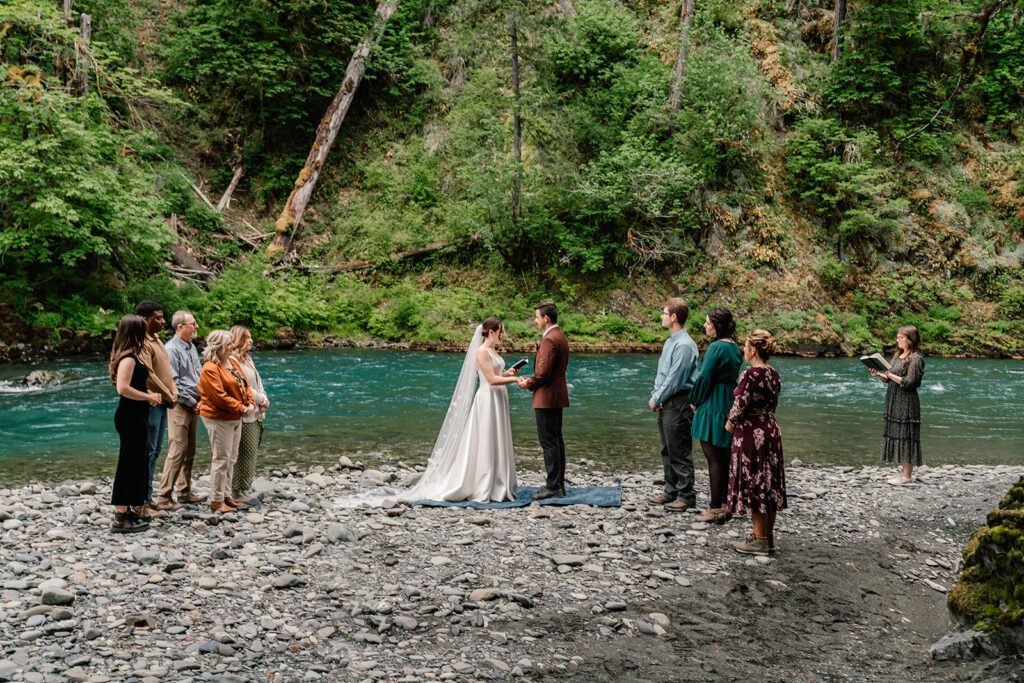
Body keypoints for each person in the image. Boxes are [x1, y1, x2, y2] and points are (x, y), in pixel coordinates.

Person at [334, 317, 520, 506]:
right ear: (491, 332)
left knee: (497, 439)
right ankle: (483, 484)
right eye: (501, 331)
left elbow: (496, 375)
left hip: (498, 398)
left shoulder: (492, 350)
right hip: (488, 399)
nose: (503, 335)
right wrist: (516, 380)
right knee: (486, 440)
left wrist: (508, 374)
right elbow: (489, 380)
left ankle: (498, 483)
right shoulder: (481, 351)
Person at [725, 329, 787, 556]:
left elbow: (740, 403)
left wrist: (730, 422)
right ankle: (767, 538)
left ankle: (759, 541)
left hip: (753, 433)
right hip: (771, 428)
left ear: (752, 350)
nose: (743, 349)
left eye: (745, 345)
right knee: (769, 484)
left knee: (756, 483)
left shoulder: (749, 375)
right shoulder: (774, 373)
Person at [109, 315, 162, 533]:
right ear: (135, 332)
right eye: (142, 329)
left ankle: (128, 508)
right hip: (130, 416)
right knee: (128, 464)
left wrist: (148, 392)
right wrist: (147, 397)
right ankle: (120, 518)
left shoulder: (133, 355)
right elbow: (122, 389)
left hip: (136, 415)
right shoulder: (128, 358)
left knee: (136, 463)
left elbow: (134, 384)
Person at [690, 308, 743, 523]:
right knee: (723, 456)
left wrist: (694, 399)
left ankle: (714, 509)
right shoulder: (734, 347)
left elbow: (705, 378)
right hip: (728, 401)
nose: (704, 326)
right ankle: (725, 504)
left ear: (716, 325)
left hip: (713, 403)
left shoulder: (716, 348)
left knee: (713, 457)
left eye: (707, 322)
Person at [648, 298, 699, 512]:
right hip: (667, 401)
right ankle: (671, 491)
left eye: (664, 312)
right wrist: (656, 395)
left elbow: (675, 379)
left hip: (679, 402)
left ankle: (686, 495)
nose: (661, 316)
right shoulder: (670, 341)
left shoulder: (684, 345)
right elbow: (662, 375)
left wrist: (657, 398)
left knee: (679, 449)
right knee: (666, 449)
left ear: (674, 317)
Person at [153, 310, 206, 510]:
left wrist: (202, 398)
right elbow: (173, 383)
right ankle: (164, 497)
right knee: (177, 451)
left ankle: (184, 492)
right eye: (193, 323)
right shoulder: (171, 350)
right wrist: (193, 402)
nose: (197, 327)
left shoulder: (190, 346)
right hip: (179, 405)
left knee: (190, 450)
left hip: (194, 404)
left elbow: (197, 375)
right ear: (181, 327)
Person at [517, 302, 570, 501]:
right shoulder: (560, 336)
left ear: (546, 319)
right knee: (556, 440)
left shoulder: (549, 340)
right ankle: (558, 485)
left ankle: (553, 486)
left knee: (548, 442)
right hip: (556, 395)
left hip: (546, 398)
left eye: (537, 317)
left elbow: (543, 373)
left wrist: (527, 383)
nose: (535, 321)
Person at [199, 329, 256, 513]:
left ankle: (227, 496)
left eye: (232, 343)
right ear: (218, 347)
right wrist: (242, 408)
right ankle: (216, 501)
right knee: (221, 459)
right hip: (218, 418)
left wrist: (251, 403)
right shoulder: (210, 368)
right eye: (228, 344)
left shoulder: (232, 361)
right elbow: (219, 397)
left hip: (235, 417)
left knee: (231, 458)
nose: (232, 347)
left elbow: (245, 384)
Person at [135, 300, 178, 519]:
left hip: (163, 401)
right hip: (152, 403)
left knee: (156, 451)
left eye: (162, 317)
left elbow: (166, 372)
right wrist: (168, 394)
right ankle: (142, 498)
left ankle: (148, 497)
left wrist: (174, 390)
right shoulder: (142, 342)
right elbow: (149, 376)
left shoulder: (158, 340)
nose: (163, 322)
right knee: (148, 451)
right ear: (145, 320)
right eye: (158, 318)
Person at [869, 325, 925, 485]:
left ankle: (907, 476)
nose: (898, 340)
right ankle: (902, 473)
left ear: (910, 339)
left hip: (907, 401)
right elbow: (891, 378)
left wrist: (889, 375)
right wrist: (880, 375)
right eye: (898, 337)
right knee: (899, 434)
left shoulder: (916, 358)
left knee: (907, 436)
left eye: (901, 338)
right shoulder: (899, 355)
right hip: (894, 398)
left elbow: (910, 383)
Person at [229, 325, 270, 505]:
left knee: (252, 449)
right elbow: (242, 386)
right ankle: (236, 490)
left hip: (255, 410)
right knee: (244, 451)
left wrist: (263, 399)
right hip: (244, 412)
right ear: (238, 340)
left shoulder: (247, 359)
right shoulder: (231, 361)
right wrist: (261, 399)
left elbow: (258, 382)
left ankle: (244, 487)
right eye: (247, 338)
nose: (251, 341)